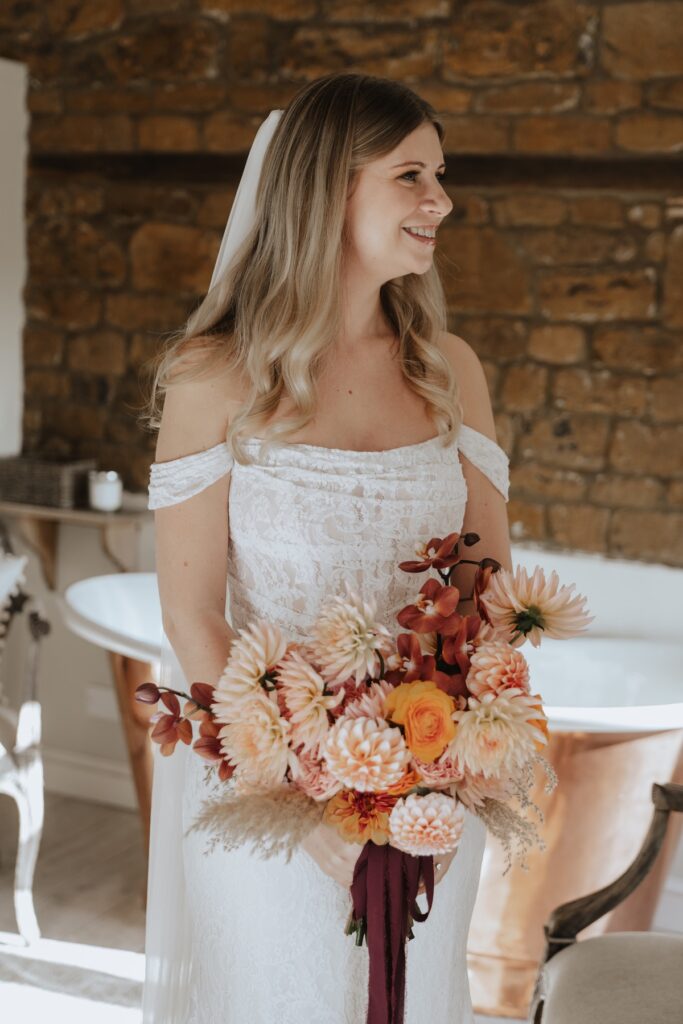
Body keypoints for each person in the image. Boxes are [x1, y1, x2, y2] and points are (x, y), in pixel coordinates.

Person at [142, 72, 511, 1024]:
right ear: (329, 189)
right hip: (261, 801)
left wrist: (438, 768)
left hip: (426, 794)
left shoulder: (449, 372)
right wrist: (308, 808)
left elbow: (485, 592)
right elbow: (191, 613)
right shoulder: (212, 376)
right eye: (412, 175)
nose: (442, 200)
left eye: (441, 175)